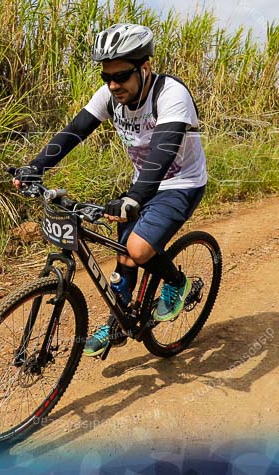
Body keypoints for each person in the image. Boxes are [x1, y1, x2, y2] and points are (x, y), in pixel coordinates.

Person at [11, 23, 207, 357]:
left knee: (139, 249)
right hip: (142, 183)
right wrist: (36, 166)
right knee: (123, 255)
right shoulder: (112, 96)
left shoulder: (170, 94)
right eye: (106, 77)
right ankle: (118, 322)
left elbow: (162, 152)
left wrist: (133, 198)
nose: (113, 85)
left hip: (180, 183)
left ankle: (176, 282)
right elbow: (75, 132)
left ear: (144, 68)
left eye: (121, 76)